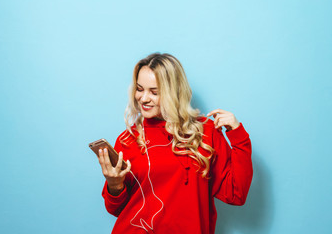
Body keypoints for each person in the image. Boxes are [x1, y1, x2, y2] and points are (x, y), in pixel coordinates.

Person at [97, 53, 253, 233]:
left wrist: (238, 137)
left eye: (154, 92)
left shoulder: (205, 132)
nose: (144, 98)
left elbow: (236, 194)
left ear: (174, 91)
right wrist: (114, 184)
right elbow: (115, 209)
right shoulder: (128, 139)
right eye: (139, 89)